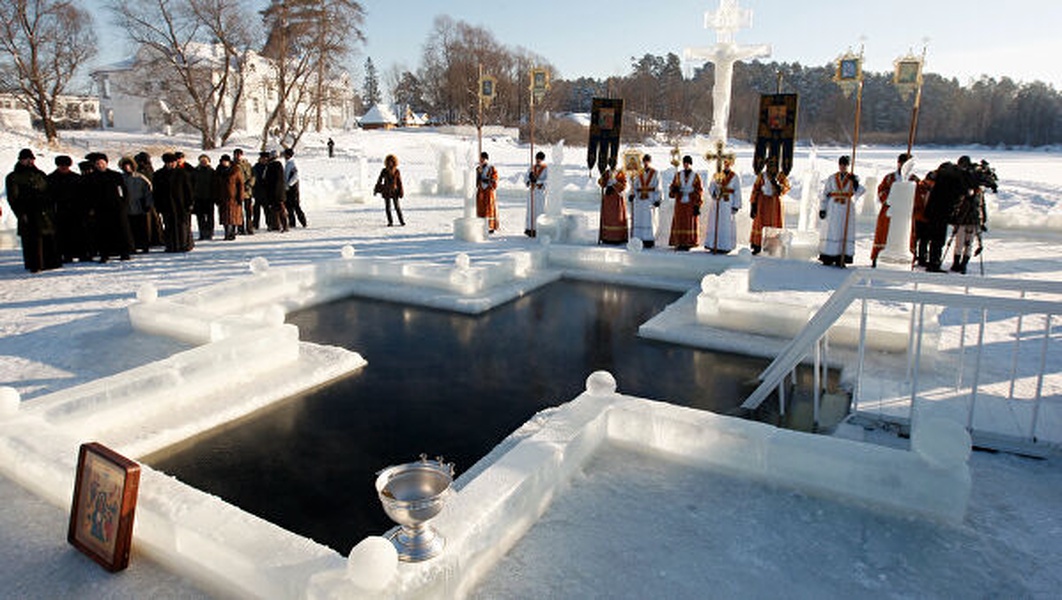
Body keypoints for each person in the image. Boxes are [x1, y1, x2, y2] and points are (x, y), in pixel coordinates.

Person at [6, 149, 61, 272]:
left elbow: (49, 191)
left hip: (45, 212)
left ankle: (50, 263)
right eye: (26, 159)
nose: (30, 161)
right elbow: (13, 198)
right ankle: (35, 265)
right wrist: (21, 213)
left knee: (48, 238)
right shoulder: (13, 177)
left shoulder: (40, 174)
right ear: (21, 160)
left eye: (31, 159)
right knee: (32, 240)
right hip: (28, 212)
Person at [871, 153, 919, 268]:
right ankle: (878, 257)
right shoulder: (889, 178)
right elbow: (881, 191)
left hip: (905, 213)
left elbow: (917, 197)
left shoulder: (914, 180)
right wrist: (891, 200)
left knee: (905, 235)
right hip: (890, 211)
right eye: (901, 163)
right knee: (884, 233)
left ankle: (905, 260)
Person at [817, 155, 864, 267]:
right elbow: (825, 193)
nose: (843, 167)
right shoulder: (832, 178)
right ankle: (828, 255)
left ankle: (842, 256)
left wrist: (856, 184)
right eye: (841, 164)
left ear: (848, 166)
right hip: (833, 206)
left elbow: (860, 191)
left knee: (844, 230)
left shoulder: (853, 178)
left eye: (845, 165)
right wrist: (823, 208)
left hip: (846, 206)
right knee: (832, 230)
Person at [949, 155, 988, 274]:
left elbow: (980, 204)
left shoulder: (968, 188)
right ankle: (960, 264)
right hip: (972, 217)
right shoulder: (977, 189)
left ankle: (959, 264)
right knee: (967, 243)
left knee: (962, 242)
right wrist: (983, 220)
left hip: (966, 217)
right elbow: (982, 205)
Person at [48, 155, 89, 263]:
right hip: (60, 211)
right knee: (62, 235)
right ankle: (66, 255)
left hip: (76, 210)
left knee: (79, 233)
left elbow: (84, 196)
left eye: (66, 165)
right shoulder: (51, 179)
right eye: (61, 165)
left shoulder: (76, 178)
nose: (64, 168)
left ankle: (82, 254)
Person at [153, 152, 195, 252]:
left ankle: (185, 245)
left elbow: (188, 190)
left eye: (173, 162)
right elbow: (156, 192)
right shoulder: (159, 174)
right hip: (166, 204)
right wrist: (158, 205)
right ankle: (171, 245)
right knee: (168, 225)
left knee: (183, 225)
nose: (171, 164)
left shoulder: (182, 173)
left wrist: (190, 203)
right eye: (169, 163)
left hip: (181, 204)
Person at [748, 157, 790, 255]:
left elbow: (786, 187)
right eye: (769, 165)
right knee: (761, 223)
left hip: (775, 203)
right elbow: (755, 190)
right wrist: (753, 204)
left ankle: (773, 245)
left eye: (773, 165)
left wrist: (778, 186)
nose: (771, 168)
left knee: (775, 223)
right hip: (763, 203)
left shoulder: (780, 176)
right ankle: (757, 244)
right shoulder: (762, 176)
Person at [705, 155, 743, 254]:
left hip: (728, 201)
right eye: (724, 163)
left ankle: (725, 245)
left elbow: (737, 191)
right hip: (717, 201)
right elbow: (711, 186)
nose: (726, 165)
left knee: (726, 223)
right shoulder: (716, 175)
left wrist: (736, 205)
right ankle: (713, 244)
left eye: (727, 163)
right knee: (715, 222)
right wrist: (714, 191)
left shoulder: (734, 176)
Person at [668, 155, 703, 250]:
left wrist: (698, 204)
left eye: (688, 163)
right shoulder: (678, 175)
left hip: (690, 202)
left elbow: (699, 190)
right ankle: (679, 241)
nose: (686, 165)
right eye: (685, 163)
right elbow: (672, 187)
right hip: (680, 202)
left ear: (691, 164)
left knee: (689, 222)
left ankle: (689, 242)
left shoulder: (696, 176)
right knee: (679, 221)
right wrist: (674, 189)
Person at [119, 156, 153, 253]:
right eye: (124, 166)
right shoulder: (121, 179)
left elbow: (148, 191)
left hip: (140, 206)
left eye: (129, 166)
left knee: (142, 227)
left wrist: (148, 204)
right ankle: (133, 246)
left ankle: (144, 245)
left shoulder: (140, 178)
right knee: (130, 228)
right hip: (127, 207)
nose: (127, 168)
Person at [629, 154, 660, 248]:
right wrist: (632, 194)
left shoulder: (655, 173)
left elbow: (658, 186)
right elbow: (634, 186)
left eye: (647, 161)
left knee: (649, 219)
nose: (646, 163)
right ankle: (639, 238)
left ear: (650, 162)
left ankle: (649, 239)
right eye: (644, 161)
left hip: (650, 198)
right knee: (639, 219)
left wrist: (657, 199)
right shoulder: (638, 173)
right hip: (640, 198)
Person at [214, 154, 245, 241]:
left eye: (226, 161)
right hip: (222, 197)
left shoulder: (236, 170)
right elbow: (215, 185)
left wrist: (240, 196)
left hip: (234, 197)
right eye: (222, 161)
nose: (224, 163)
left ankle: (232, 233)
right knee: (225, 217)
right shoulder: (218, 170)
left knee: (233, 217)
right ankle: (227, 233)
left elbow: (241, 184)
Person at [597, 162, 628, 244]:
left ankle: (618, 237)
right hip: (608, 198)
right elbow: (601, 183)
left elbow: (624, 185)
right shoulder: (607, 172)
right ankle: (607, 236)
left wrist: (614, 186)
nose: (612, 165)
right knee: (608, 217)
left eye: (614, 163)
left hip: (617, 198)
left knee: (617, 217)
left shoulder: (621, 173)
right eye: (611, 163)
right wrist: (602, 180)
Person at [374, 154, 405, 226]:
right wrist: (376, 189)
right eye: (389, 161)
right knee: (388, 208)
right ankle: (390, 222)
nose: (390, 162)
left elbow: (399, 182)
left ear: (394, 161)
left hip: (395, 191)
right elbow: (379, 180)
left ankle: (401, 221)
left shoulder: (397, 171)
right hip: (386, 191)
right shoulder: (384, 171)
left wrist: (401, 191)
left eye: (392, 161)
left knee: (397, 207)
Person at [523, 151, 548, 237]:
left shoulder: (546, 169)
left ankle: (538, 229)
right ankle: (530, 228)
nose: (538, 161)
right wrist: (529, 180)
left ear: (542, 160)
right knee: (530, 210)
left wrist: (537, 181)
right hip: (532, 192)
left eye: (539, 159)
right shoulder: (531, 168)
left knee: (539, 210)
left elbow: (547, 181)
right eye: (537, 159)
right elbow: (526, 178)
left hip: (540, 193)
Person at [192, 154, 216, 240]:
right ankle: (202, 233)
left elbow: (215, 184)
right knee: (200, 217)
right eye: (202, 160)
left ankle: (210, 232)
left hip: (209, 197)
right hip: (198, 197)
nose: (203, 162)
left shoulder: (212, 172)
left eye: (205, 160)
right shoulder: (195, 171)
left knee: (210, 217)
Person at [232, 148, 255, 235]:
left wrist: (249, 184)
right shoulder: (232, 165)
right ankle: (240, 228)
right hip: (236, 192)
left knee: (249, 210)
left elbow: (253, 176)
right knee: (238, 211)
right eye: (236, 154)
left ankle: (249, 227)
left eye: (239, 154)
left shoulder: (247, 165)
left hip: (247, 192)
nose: (238, 156)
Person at [264, 150, 288, 232]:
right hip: (273, 191)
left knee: (280, 209)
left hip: (277, 192)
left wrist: (276, 192)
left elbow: (278, 181)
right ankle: (276, 225)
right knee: (274, 209)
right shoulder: (271, 165)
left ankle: (284, 226)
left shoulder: (277, 165)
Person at [476, 152, 498, 233]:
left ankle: (490, 226)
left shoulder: (491, 168)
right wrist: (478, 174)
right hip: (481, 191)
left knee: (489, 208)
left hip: (488, 191)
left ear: (486, 159)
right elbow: (476, 181)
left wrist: (488, 180)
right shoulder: (479, 168)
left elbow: (495, 179)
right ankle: (481, 225)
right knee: (481, 208)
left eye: (483, 159)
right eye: (480, 159)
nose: (481, 160)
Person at [283, 148, 307, 228]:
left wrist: (289, 184)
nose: (284, 156)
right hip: (288, 188)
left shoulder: (293, 163)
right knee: (289, 206)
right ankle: (292, 223)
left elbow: (296, 176)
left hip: (293, 188)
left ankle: (303, 222)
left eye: (285, 154)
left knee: (296, 206)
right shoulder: (288, 163)